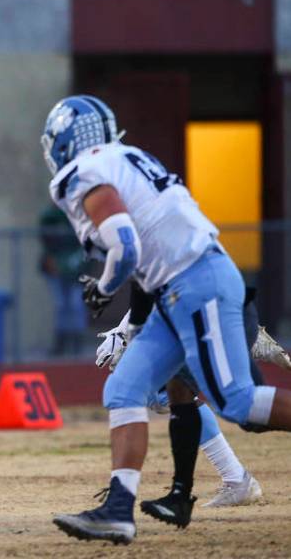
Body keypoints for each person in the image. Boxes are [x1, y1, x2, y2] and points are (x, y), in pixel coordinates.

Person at [42, 95, 291, 545]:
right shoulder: (127, 157)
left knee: (236, 400)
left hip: (195, 280)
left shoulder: (84, 173)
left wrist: (102, 288)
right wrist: (130, 326)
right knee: (124, 389)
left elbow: (126, 246)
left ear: (65, 139)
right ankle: (119, 510)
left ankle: (202, 486)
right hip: (176, 287)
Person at [94, 283, 273, 529]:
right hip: (194, 306)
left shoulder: (145, 250)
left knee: (242, 405)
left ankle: (124, 503)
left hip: (201, 306)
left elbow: (160, 281)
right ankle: (215, 483)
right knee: (166, 392)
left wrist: (124, 335)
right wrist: (124, 333)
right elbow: (153, 285)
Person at [38, 204, 86, 357]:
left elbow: (85, 248)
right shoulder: (50, 216)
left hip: (75, 272)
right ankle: (61, 343)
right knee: (61, 306)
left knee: (75, 304)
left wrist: (74, 267)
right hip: (56, 272)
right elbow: (46, 244)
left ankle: (77, 342)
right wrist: (52, 262)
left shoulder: (79, 215)